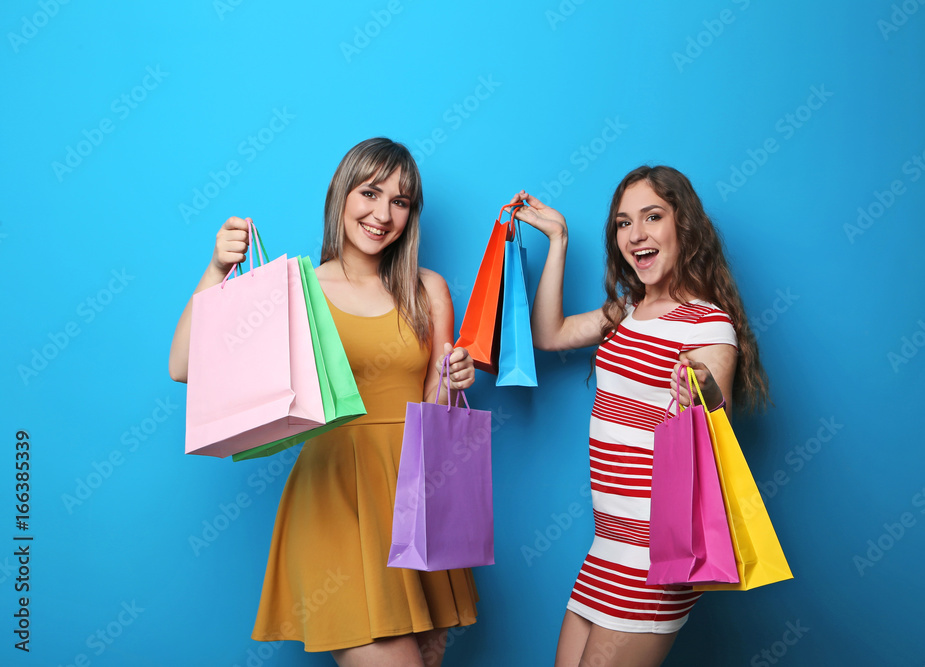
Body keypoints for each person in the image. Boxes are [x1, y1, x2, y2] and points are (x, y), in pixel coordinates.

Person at [168, 138, 478, 666]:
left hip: (416, 503)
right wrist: (218, 270)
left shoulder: (429, 290)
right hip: (335, 501)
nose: (382, 214)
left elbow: (435, 407)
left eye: (400, 202)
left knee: (428, 658)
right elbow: (183, 366)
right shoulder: (298, 286)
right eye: (370, 193)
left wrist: (455, 378)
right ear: (341, 195)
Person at [510, 165, 769, 666]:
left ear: (684, 227)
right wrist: (559, 239)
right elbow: (549, 334)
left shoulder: (708, 322)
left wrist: (704, 388)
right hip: (607, 545)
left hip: (655, 553)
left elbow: (720, 414)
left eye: (653, 217)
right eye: (624, 223)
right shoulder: (626, 311)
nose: (637, 234)